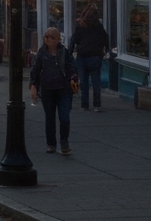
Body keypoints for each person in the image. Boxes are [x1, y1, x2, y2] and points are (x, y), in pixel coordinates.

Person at [31, 26, 77, 154]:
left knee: (64, 117)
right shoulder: (41, 53)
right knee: (50, 118)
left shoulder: (64, 52)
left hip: (63, 89)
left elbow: (72, 67)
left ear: (58, 39)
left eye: (51, 36)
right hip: (47, 89)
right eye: (46, 36)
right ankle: (51, 144)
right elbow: (35, 70)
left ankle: (64, 142)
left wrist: (73, 77)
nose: (48, 39)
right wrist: (34, 85)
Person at [70, 9, 110, 112]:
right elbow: (105, 39)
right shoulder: (99, 27)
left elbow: (74, 40)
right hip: (95, 56)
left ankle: (85, 105)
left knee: (84, 82)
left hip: (82, 56)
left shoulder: (80, 26)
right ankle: (96, 105)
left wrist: (69, 54)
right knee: (96, 82)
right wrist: (107, 51)